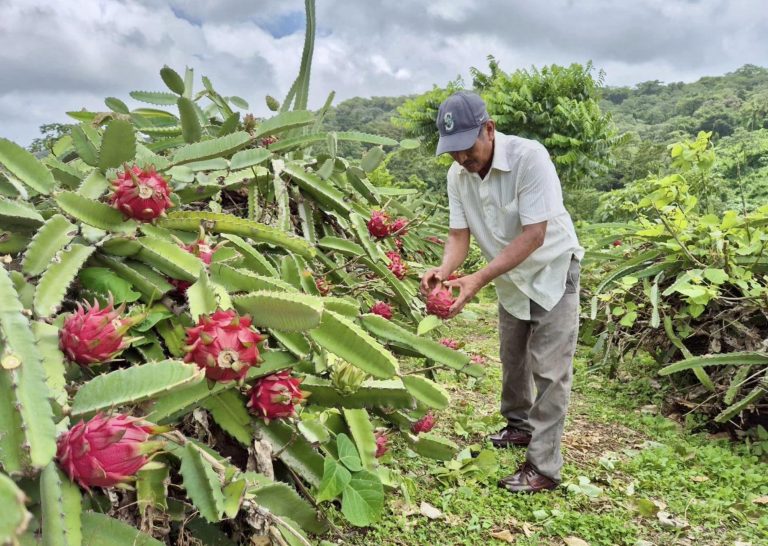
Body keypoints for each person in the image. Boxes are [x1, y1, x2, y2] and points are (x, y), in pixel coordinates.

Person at [420, 91, 584, 493]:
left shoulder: (530, 158)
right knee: (513, 358)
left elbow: (534, 235)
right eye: (452, 151)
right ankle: (519, 426)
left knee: (549, 369)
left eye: (466, 147)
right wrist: (444, 271)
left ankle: (544, 467)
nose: (461, 158)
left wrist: (476, 279)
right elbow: (459, 235)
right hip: (509, 276)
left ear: (488, 130)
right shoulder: (457, 176)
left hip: (551, 269)